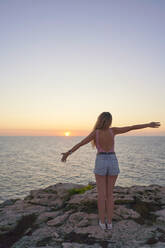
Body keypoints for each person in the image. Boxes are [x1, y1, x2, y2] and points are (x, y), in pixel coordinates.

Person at [61, 112, 160, 230]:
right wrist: (148, 124)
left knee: (102, 195)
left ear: (99, 120)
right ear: (109, 121)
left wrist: (68, 153)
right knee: (110, 194)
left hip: (101, 160)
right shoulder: (113, 131)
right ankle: (109, 222)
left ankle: (102, 222)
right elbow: (131, 127)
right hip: (113, 160)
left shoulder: (96, 133)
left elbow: (81, 143)